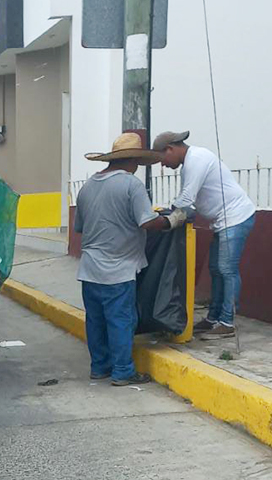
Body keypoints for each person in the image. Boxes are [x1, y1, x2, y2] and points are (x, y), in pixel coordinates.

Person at [75, 133, 186, 386]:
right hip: (119, 269)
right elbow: (147, 222)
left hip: (89, 270)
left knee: (96, 321)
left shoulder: (87, 186)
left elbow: (79, 226)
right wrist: (170, 221)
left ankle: (99, 367)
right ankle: (123, 371)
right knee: (121, 321)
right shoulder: (131, 185)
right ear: (134, 160)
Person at [152, 131, 256, 339]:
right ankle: (213, 317)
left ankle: (227, 322)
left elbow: (186, 198)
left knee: (227, 269)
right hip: (223, 221)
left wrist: (168, 216)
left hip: (235, 217)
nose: (163, 165)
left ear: (170, 149)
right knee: (216, 269)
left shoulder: (196, 160)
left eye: (162, 159)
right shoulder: (189, 164)